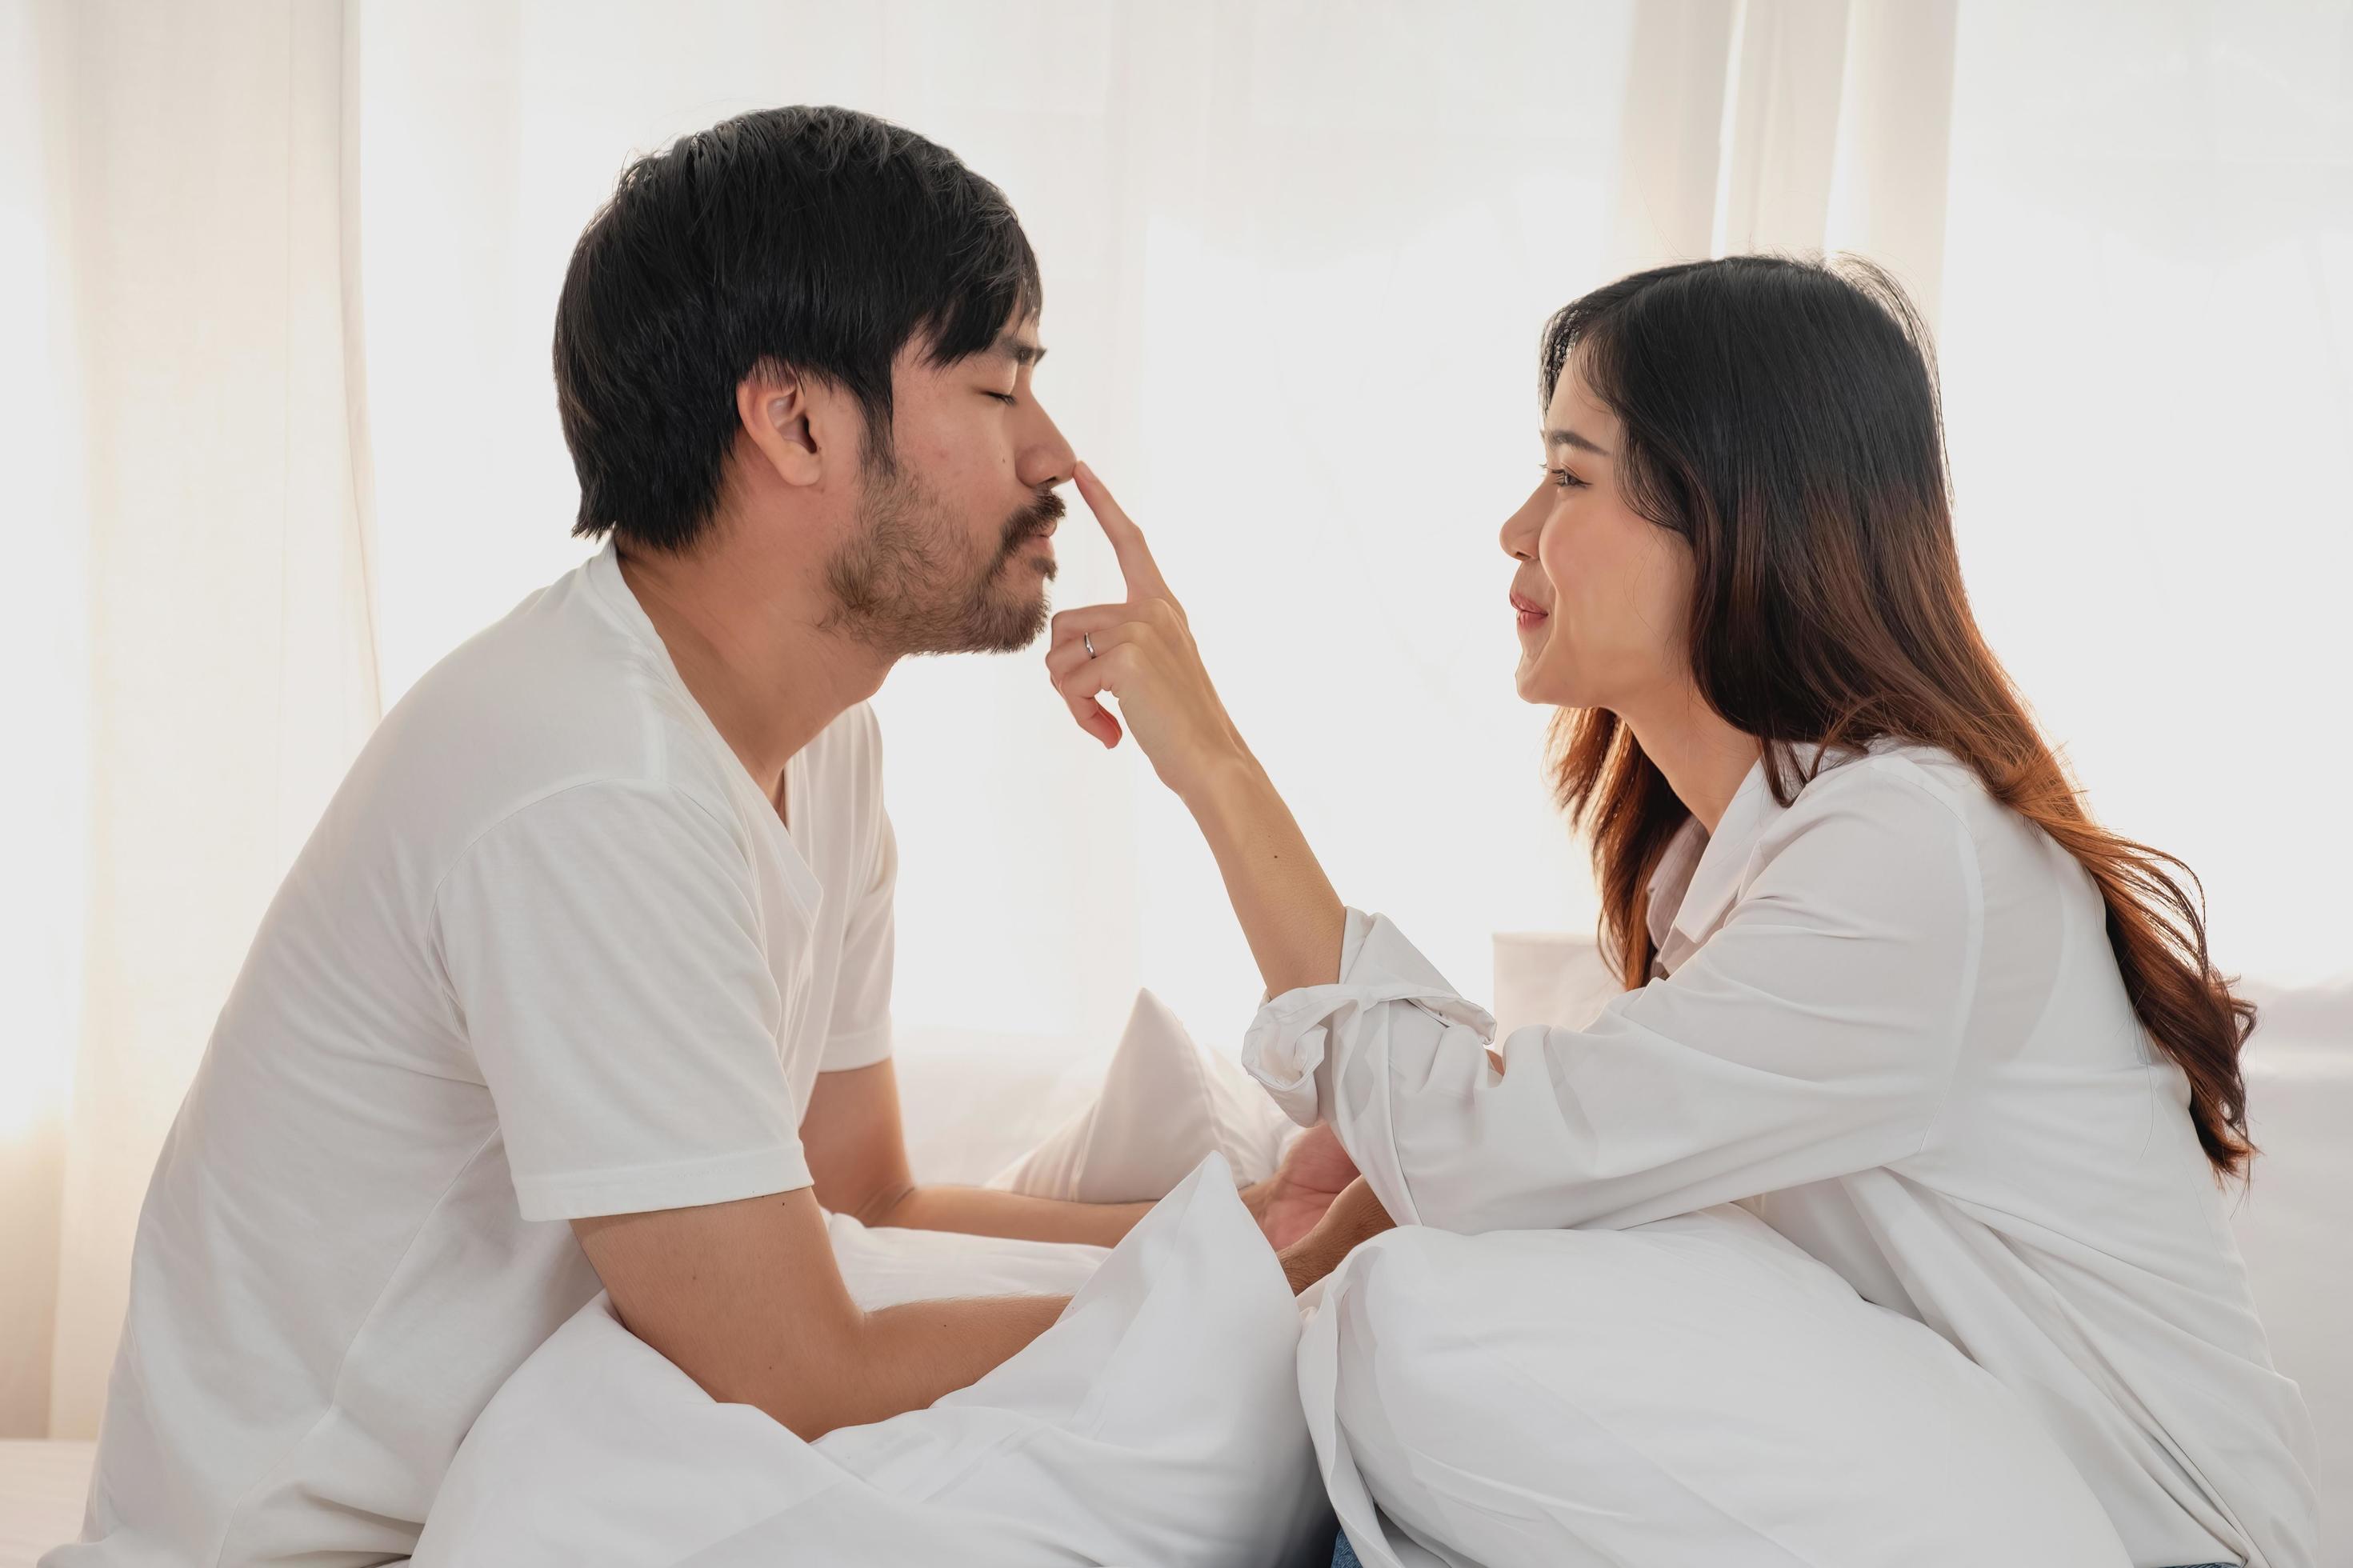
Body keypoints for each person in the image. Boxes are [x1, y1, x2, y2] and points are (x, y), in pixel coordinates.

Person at [47, 105, 1371, 1568]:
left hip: (528, 1483)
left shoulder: (824, 739)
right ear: (795, 419)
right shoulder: (590, 780)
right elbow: (796, 1369)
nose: (1052, 452)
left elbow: (861, 1197)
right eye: (998, 387)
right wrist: (1235, 1290)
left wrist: (1236, 1230)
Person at [1043, 255, 2320, 1568]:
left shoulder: (1909, 847)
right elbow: (1574, 1159)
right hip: (1982, 1493)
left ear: (1731, 520)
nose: (1514, 526)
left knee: (1410, 1317)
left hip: (2139, 1535)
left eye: (1569, 474)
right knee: (1398, 1306)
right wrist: (1349, 1221)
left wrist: (1208, 758)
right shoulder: (1744, 861)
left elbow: (1484, 1149)